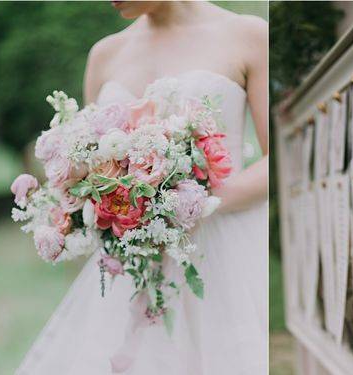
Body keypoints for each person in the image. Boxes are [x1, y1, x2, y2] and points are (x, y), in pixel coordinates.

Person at [17, 2, 268, 374]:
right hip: (132, 264)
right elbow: (88, 164)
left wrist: (186, 204)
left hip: (224, 252)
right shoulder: (103, 55)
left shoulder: (248, 35)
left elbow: (277, 158)